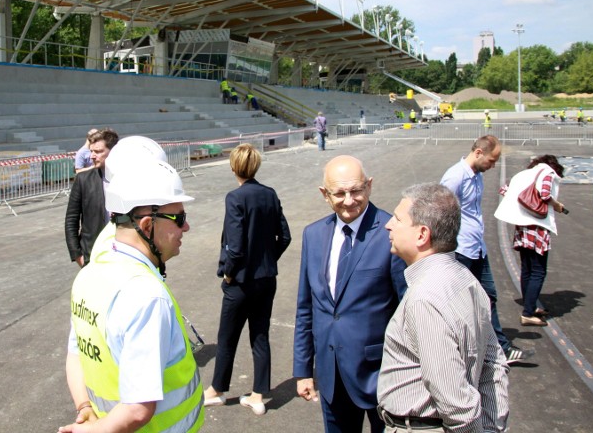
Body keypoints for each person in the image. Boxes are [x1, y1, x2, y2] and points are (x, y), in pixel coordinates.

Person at [59, 159, 204, 433]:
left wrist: (85, 409)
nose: (186, 228)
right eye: (180, 219)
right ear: (147, 225)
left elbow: (75, 354)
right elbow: (138, 410)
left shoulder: (89, 275)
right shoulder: (146, 296)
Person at [378, 183, 510, 433]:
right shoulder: (467, 281)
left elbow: (455, 402)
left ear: (422, 234)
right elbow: (493, 365)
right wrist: (492, 427)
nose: (389, 225)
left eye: (397, 219)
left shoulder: (425, 299)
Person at [293, 155, 407, 433]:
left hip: (383, 376)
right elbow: (306, 306)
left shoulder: (391, 232)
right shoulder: (313, 235)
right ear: (325, 194)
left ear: (369, 186)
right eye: (339, 193)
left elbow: (408, 308)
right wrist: (303, 369)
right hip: (332, 376)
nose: (348, 200)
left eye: (356, 190)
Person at [203, 144, 292, 416]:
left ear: (233, 167)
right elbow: (284, 236)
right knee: (260, 335)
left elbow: (236, 244)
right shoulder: (269, 193)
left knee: (227, 336)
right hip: (266, 278)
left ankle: (217, 390)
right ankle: (258, 395)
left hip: (241, 281)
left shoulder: (235, 197)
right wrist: (267, 260)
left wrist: (229, 272)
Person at [440, 135, 532, 364]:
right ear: (479, 153)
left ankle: (500, 349)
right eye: (492, 160)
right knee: (461, 302)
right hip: (461, 250)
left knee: (488, 297)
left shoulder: (477, 176)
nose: (493, 166)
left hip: (477, 248)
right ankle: (455, 351)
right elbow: (440, 212)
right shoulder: (455, 177)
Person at [494, 155, 567, 326]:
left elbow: (504, 190)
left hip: (522, 226)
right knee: (538, 271)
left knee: (527, 269)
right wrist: (556, 206)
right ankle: (528, 312)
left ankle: (530, 305)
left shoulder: (524, 174)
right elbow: (545, 193)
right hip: (537, 226)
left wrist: (522, 208)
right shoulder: (547, 172)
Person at [64, 128, 119, 268]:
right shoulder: (83, 180)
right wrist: (77, 255)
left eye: (99, 152)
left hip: (123, 255)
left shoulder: (127, 180)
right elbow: (71, 219)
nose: (92, 156)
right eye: (92, 151)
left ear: (114, 153)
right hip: (93, 255)